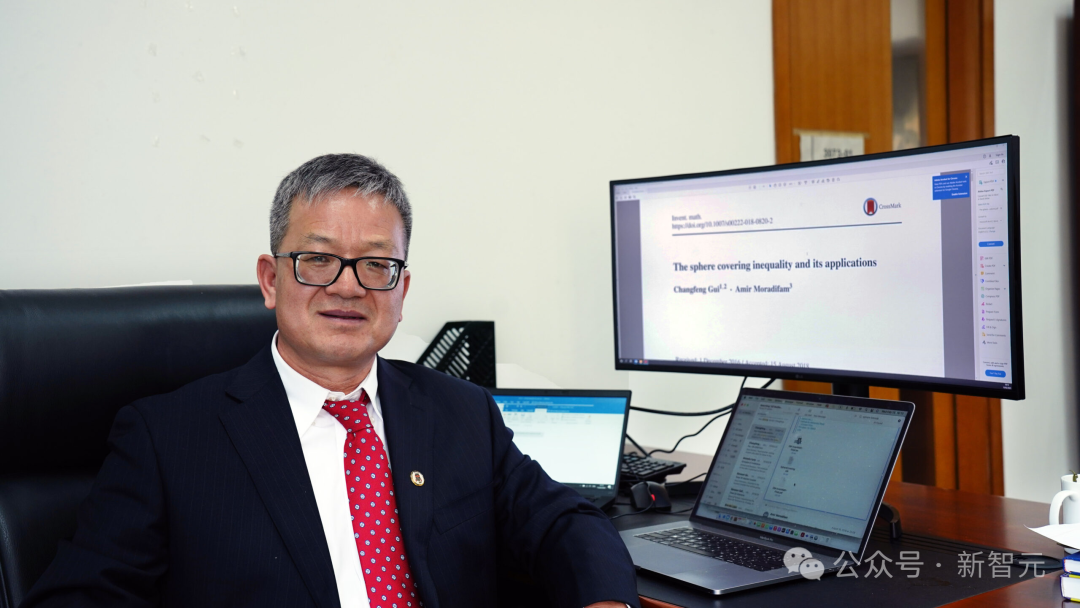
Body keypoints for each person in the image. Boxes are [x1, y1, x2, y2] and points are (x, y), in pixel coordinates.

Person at [22, 154, 639, 608]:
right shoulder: (168, 438)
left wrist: (606, 600)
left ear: (401, 289)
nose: (347, 285)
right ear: (271, 280)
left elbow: (566, 522)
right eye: (317, 259)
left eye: (376, 264)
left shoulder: (461, 412)